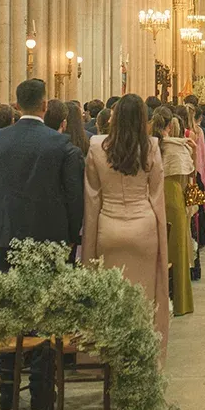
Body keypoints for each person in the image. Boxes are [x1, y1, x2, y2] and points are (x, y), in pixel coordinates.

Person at [0, 79, 84, 410]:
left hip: (6, 239)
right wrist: (69, 237)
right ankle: (42, 394)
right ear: (45, 105)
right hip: (51, 241)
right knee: (46, 313)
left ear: (18, 106)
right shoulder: (61, 144)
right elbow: (74, 200)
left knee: (8, 311)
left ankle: (7, 390)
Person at [82, 93, 169, 359]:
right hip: (143, 229)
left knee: (111, 299)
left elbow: (92, 199)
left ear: (114, 117)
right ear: (144, 119)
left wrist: (89, 245)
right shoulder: (152, 147)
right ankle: (141, 359)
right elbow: (156, 196)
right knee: (144, 297)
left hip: (109, 228)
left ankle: (111, 359)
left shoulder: (97, 146)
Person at [152, 108, 195, 316]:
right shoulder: (178, 148)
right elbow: (188, 178)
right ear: (170, 126)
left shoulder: (149, 146)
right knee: (176, 249)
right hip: (173, 200)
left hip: (151, 200)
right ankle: (179, 302)